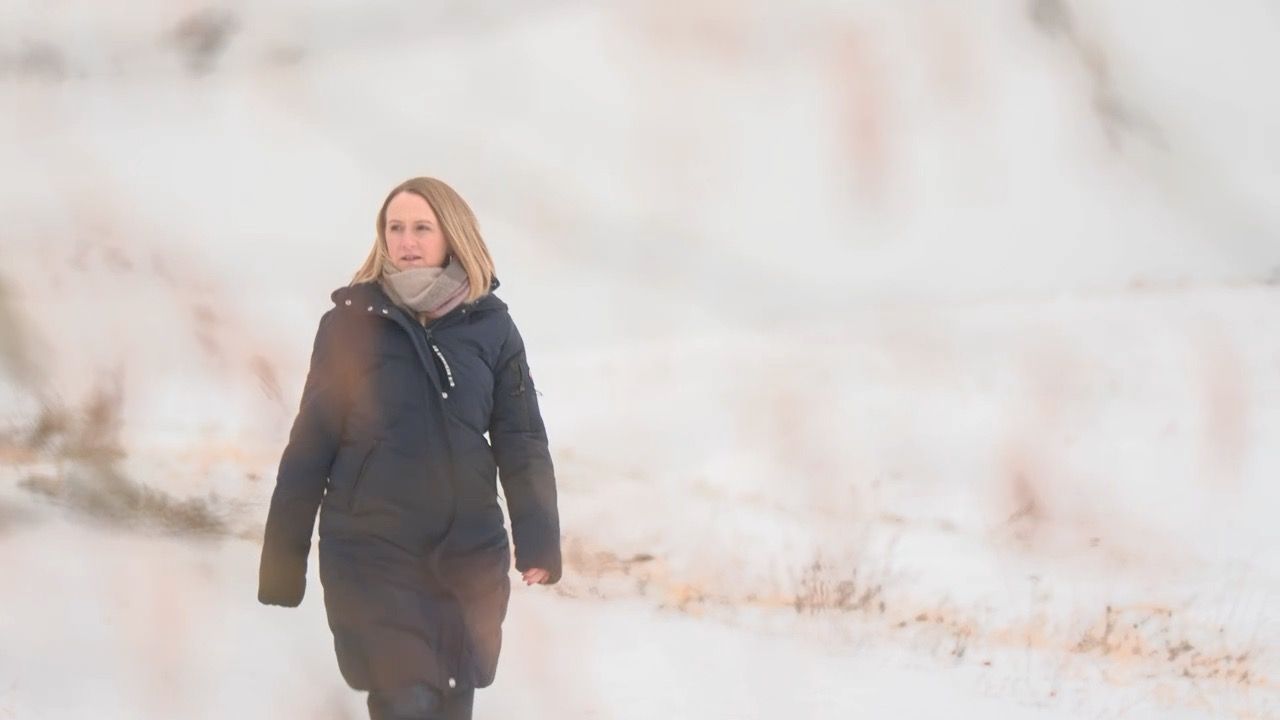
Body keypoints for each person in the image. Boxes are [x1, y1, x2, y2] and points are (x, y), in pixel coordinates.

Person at [257, 176, 562, 720]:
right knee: (407, 698)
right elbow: (310, 444)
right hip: (372, 552)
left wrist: (538, 541)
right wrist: (283, 560)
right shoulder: (349, 327)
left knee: (449, 702)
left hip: (467, 555)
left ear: (452, 235)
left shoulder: (493, 328)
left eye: (422, 227)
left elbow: (522, 440)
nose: (406, 240)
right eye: (394, 228)